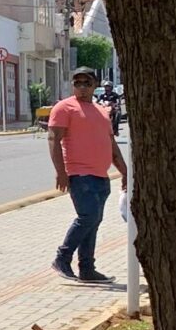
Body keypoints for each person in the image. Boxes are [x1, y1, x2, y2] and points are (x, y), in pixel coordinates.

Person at [47, 66, 128, 282]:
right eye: (77, 83)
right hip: (79, 174)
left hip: (101, 176)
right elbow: (53, 139)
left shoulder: (102, 110)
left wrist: (124, 171)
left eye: (87, 83)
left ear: (95, 85)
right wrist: (60, 172)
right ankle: (62, 258)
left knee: (94, 222)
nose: (82, 87)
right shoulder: (64, 108)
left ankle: (87, 269)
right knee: (88, 217)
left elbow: (111, 144)